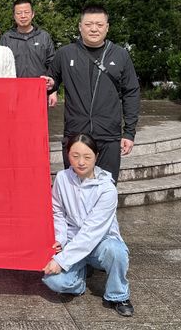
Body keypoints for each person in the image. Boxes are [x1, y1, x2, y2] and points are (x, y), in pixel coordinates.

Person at [44, 5, 140, 183]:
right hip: (76, 134)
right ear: (80, 27)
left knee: (106, 188)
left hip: (109, 135)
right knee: (75, 189)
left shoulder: (120, 55)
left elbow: (131, 93)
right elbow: (51, 81)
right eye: (88, 24)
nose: (94, 29)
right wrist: (50, 85)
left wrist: (129, 132)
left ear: (107, 27)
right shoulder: (65, 54)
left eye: (99, 24)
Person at [42, 133, 134, 317]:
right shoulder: (62, 178)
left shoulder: (107, 188)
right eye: (75, 156)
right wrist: (60, 238)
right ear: (68, 155)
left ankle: (118, 295)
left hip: (101, 241)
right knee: (53, 281)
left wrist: (62, 261)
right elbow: (57, 212)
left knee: (117, 252)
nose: (81, 162)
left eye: (87, 157)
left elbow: (92, 232)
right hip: (71, 239)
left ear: (96, 156)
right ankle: (79, 278)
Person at [0, 0, 57, 105]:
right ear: (14, 16)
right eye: (19, 13)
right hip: (13, 94)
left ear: (33, 14)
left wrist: (53, 90)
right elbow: (1, 67)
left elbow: (52, 65)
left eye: (26, 12)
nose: (23, 16)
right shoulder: (7, 38)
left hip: (39, 92)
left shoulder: (44, 37)